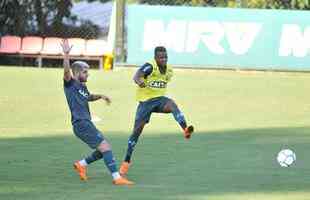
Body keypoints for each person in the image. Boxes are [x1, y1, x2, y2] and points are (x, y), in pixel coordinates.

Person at [61, 39, 133, 185]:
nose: (88, 74)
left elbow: (88, 97)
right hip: (81, 123)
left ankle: (81, 164)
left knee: (102, 150)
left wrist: (100, 96)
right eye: (85, 72)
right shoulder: (70, 83)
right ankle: (116, 178)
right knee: (106, 147)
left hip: (85, 123)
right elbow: (66, 72)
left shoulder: (82, 87)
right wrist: (66, 55)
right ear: (76, 73)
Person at [119, 46, 194, 176]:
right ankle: (126, 162)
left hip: (159, 100)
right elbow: (137, 76)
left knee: (172, 104)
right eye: (161, 57)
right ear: (155, 58)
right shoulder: (150, 66)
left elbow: (162, 82)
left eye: (165, 57)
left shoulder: (169, 70)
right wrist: (140, 81)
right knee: (136, 134)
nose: (164, 59)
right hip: (145, 103)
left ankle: (185, 129)